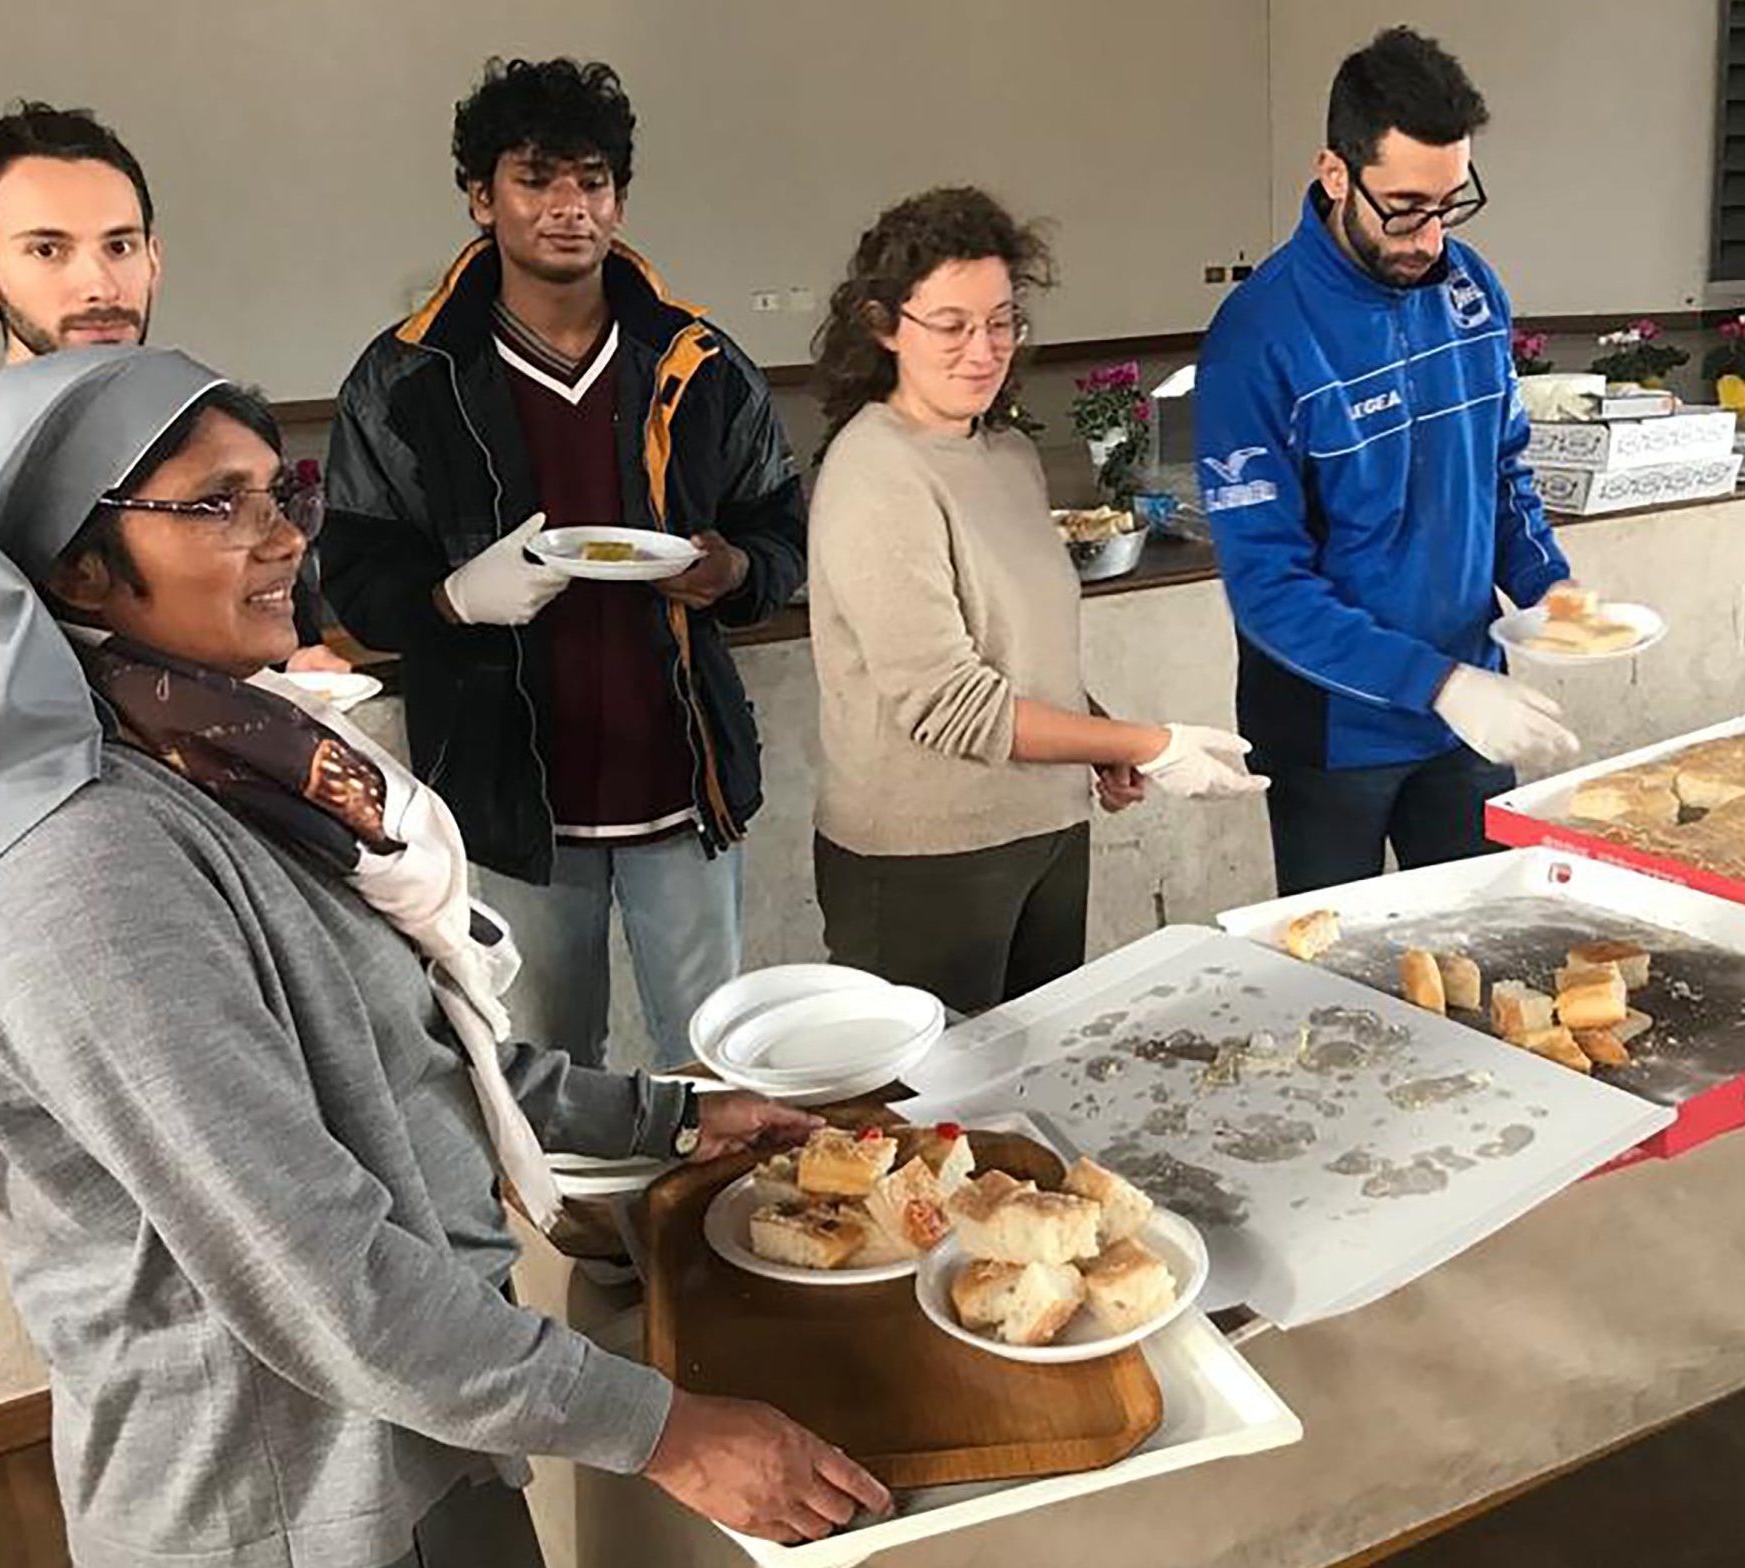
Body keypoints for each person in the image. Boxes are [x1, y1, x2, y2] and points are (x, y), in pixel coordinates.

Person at [0, 346, 892, 1567]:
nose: (285, 537)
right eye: (217, 503)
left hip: (415, 1426)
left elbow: (394, 1046)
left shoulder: (219, 752)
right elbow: (317, 1275)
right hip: (284, 1500)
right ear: (75, 561)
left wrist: (664, 1114)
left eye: (279, 490)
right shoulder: (79, 863)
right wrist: (662, 1430)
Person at [322, 58, 804, 1072]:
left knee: (710, 1060)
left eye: (591, 181)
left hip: (683, 782)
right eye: (535, 180)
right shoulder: (408, 377)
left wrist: (732, 572)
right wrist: (453, 598)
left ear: (619, 200)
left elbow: (780, 529)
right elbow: (352, 572)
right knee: (545, 1068)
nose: (567, 207)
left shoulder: (697, 363)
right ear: (481, 196)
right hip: (507, 800)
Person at [803, 188, 1263, 1016]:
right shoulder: (875, 473)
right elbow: (949, 703)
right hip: (926, 856)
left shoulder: (1008, 453)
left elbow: (1025, 645)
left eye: (1001, 321)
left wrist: (1098, 733)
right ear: (883, 326)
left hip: (1047, 830)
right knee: (929, 1090)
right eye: (951, 326)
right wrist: (1150, 741)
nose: (982, 351)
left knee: (1033, 1072)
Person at [0, 102, 342, 815]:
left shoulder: (224, 448)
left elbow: (283, 644)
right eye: (48, 250)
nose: (100, 285)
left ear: (154, 257)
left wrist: (297, 669)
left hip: (254, 835)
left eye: (120, 246)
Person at [1194, 28, 1583, 897]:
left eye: (1449, 204)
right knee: (1340, 963)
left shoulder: (1469, 291)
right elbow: (1267, 589)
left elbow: (1501, 473)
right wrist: (1435, 685)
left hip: (1469, 715)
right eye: (1404, 208)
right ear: (1336, 174)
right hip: (1335, 737)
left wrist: (1549, 590)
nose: (1429, 238)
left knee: (1489, 945)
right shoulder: (1259, 339)